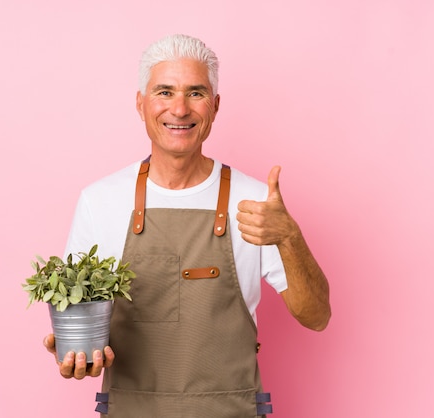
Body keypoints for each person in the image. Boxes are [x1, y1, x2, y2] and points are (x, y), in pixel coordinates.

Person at [43, 34, 331, 417]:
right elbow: (78, 327)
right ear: (140, 104)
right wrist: (77, 355)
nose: (179, 109)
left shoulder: (256, 202)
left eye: (195, 93)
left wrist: (290, 237)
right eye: (165, 91)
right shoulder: (100, 201)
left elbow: (317, 317)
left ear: (214, 106)